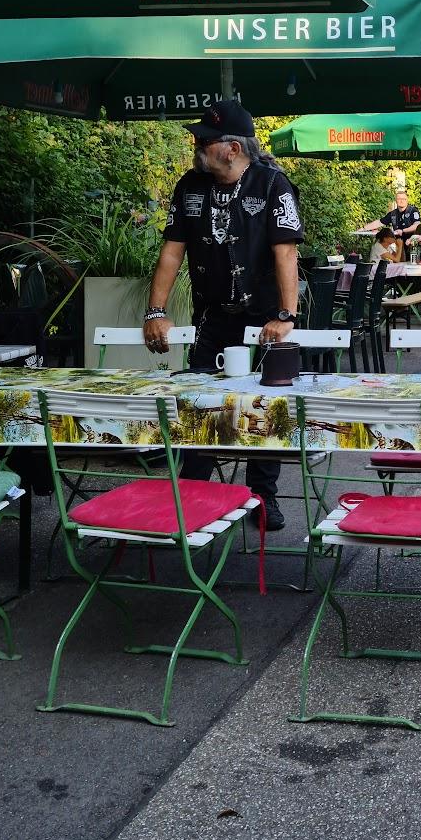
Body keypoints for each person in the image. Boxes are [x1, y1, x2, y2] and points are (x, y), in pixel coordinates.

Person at [142, 100, 303, 531]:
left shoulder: (272, 185)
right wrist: (155, 311)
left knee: (266, 407)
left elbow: (286, 251)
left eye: (204, 140)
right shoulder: (190, 186)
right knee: (200, 403)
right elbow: (171, 251)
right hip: (212, 318)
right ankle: (193, 492)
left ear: (231, 148)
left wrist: (287, 315)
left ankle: (261, 495)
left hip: (266, 319)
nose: (196, 145)